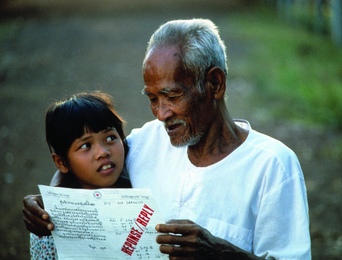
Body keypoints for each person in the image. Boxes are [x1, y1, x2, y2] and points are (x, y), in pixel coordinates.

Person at [23, 19, 311, 259]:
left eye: (172, 96)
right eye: (152, 99)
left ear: (215, 84)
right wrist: (49, 202)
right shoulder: (148, 141)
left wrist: (221, 253)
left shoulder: (272, 166)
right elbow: (88, 165)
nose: (161, 114)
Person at [28, 92, 131, 259]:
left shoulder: (144, 188)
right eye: (85, 145)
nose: (103, 152)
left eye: (111, 137)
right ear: (61, 162)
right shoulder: (48, 223)